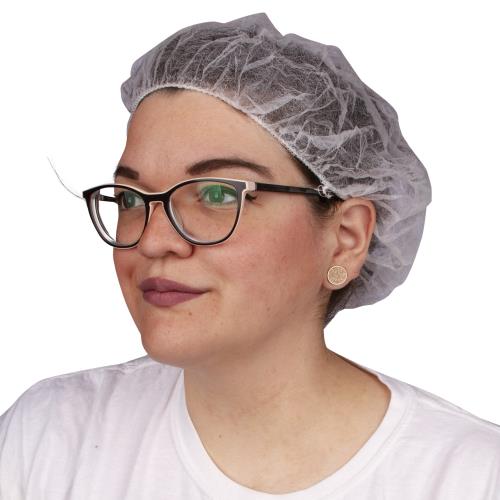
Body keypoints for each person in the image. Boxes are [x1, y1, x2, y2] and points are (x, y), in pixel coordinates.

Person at [1, 11, 499, 500]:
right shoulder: (48, 440)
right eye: (131, 199)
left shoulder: (469, 478)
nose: (152, 241)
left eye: (217, 194)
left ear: (346, 238)